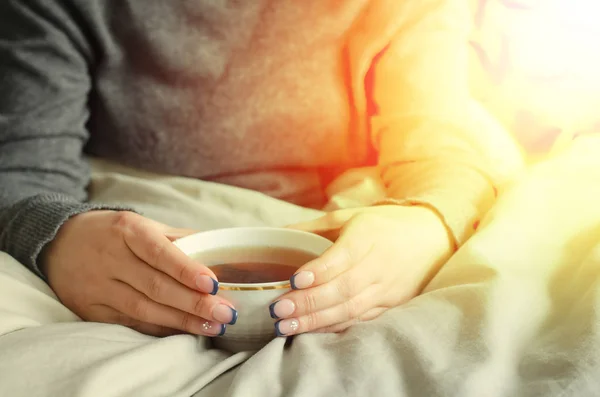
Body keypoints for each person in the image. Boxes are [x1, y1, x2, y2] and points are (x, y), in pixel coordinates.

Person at [0, 0, 520, 339]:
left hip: (330, 247)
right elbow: (23, 170)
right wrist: (59, 235)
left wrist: (425, 221)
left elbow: (440, 143)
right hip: (134, 248)